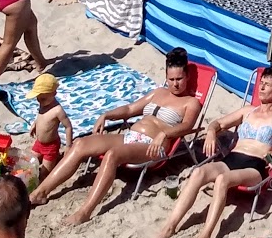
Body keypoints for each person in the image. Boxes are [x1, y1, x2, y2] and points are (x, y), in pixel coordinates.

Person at [31, 48, 204, 224]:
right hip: (131, 137)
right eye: (171, 79)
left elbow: (187, 126)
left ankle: (85, 211)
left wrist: (165, 133)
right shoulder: (158, 93)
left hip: (154, 146)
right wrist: (106, 115)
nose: (175, 84)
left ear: (187, 76)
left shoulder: (191, 103)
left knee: (113, 154)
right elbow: (130, 109)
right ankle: (40, 193)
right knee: (81, 144)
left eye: (179, 79)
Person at [151, 67, 272, 238]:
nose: (261, 87)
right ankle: (169, 226)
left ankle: (204, 237)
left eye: (267, 85)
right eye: (261, 83)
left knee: (222, 180)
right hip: (232, 158)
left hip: (256, 165)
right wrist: (211, 132)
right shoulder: (247, 111)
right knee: (198, 172)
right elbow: (217, 123)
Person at [26, 74, 74, 180]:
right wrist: (35, 125)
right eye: (37, 98)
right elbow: (40, 116)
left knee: (44, 172)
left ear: (54, 93)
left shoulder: (57, 110)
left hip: (50, 146)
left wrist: (68, 145)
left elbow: (68, 127)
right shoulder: (43, 104)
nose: (39, 101)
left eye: (43, 98)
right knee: (29, 161)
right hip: (39, 143)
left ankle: (53, 160)